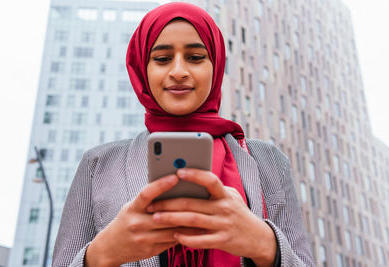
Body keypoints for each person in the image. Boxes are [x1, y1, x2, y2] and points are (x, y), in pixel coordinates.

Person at [52, 2, 314, 267]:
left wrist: (266, 245)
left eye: (196, 57)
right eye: (163, 59)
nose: (178, 71)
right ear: (143, 68)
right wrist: (101, 254)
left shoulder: (269, 161)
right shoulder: (97, 165)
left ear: (216, 64)